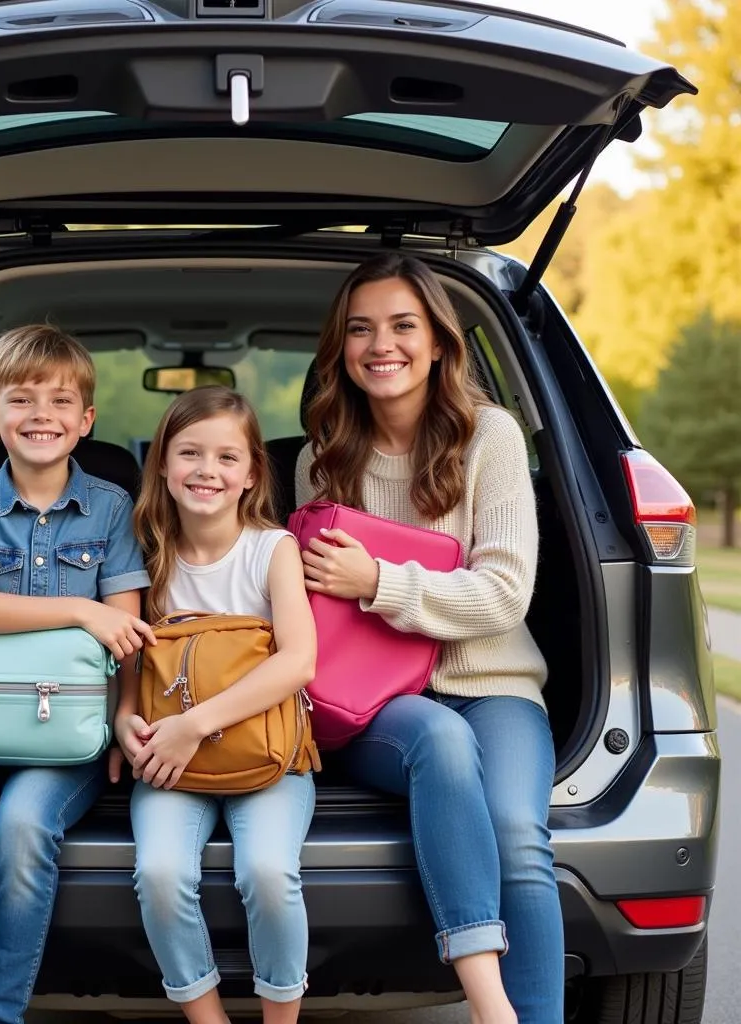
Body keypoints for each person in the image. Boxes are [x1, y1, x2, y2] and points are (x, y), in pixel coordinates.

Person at [294, 254, 562, 1024]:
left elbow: (506, 596)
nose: (383, 344)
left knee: (517, 831)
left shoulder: (492, 438)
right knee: (439, 741)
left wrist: (377, 583)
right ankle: (490, 1005)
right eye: (361, 329)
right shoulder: (323, 458)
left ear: (440, 341)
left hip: (493, 685)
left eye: (404, 325)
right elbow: (308, 605)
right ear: (341, 349)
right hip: (374, 701)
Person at [0, 324, 154, 1024]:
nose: (40, 415)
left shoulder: (113, 508)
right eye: (21, 400)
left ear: (86, 422)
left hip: (64, 731)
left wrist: (121, 720)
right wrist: (79, 611)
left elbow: (129, 636)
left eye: (59, 401)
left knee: (21, 830)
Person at [121, 385, 318, 1024]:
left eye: (227, 458)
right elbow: (135, 661)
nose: (207, 470)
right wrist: (125, 718)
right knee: (157, 874)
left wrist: (194, 724)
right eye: (190, 453)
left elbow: (298, 662)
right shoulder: (146, 554)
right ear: (162, 466)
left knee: (266, 872)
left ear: (252, 473)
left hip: (268, 758)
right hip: (173, 766)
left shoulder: (272, 549)